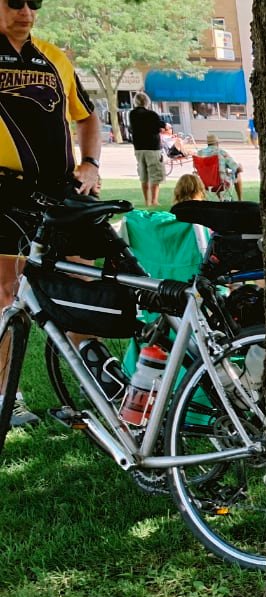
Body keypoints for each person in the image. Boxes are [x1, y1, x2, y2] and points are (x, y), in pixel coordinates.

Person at [0, 0, 102, 428]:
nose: (26, 10)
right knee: (6, 294)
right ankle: (7, 398)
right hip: (5, 193)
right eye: (14, 1)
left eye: (34, 2)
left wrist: (91, 164)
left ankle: (97, 388)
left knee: (83, 282)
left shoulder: (54, 57)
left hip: (60, 194)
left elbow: (88, 117)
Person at [129, 92, 165, 207]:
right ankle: (154, 200)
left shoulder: (132, 114)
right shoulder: (152, 114)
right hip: (152, 148)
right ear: (147, 101)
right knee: (155, 175)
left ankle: (146, 201)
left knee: (143, 176)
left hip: (138, 148)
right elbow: (159, 126)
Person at [197, 133, 244, 200]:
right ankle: (240, 199)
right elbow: (236, 168)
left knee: (215, 175)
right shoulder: (221, 152)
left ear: (207, 143)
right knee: (238, 175)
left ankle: (221, 198)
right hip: (220, 184)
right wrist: (240, 167)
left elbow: (198, 169)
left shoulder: (200, 153)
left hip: (204, 184)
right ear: (217, 143)